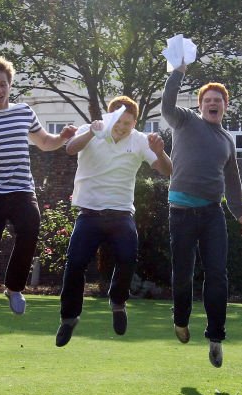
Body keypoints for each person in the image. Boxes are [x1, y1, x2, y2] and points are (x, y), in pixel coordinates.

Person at [0, 55, 76, 336]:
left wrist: (63, 136)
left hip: (22, 189)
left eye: (4, 84)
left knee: (31, 228)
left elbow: (44, 142)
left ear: (10, 85)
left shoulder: (23, 112)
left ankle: (13, 287)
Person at [55, 97, 173, 347]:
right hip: (89, 214)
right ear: (109, 118)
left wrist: (160, 151)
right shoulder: (92, 129)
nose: (121, 128)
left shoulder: (140, 140)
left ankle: (118, 303)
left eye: (127, 123)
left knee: (128, 258)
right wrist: (91, 134)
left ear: (135, 122)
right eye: (118, 122)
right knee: (75, 264)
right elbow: (70, 148)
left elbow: (167, 170)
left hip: (121, 214)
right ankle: (69, 318)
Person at [160, 60, 242, 368]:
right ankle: (181, 318)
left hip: (212, 213)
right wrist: (178, 73)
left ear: (225, 106)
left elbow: (232, 180)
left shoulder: (227, 140)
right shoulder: (185, 120)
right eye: (208, 100)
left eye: (218, 101)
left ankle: (215, 337)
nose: (213, 104)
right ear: (200, 105)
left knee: (217, 275)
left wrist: (239, 213)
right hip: (182, 212)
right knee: (184, 272)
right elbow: (167, 104)